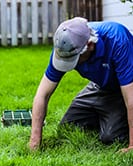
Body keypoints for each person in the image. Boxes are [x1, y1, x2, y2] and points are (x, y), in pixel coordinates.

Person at [29, 17, 133, 152]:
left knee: (111, 137)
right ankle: (108, 115)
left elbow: (131, 99)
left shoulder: (117, 40)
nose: (70, 64)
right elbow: (43, 94)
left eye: (74, 59)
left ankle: (114, 118)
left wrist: (132, 146)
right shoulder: (65, 44)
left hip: (126, 86)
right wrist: (34, 141)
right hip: (101, 85)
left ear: (89, 45)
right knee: (68, 127)